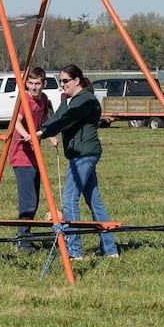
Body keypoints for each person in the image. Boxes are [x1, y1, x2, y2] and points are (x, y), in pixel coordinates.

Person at [37, 64, 118, 259]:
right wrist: (40, 131)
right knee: (94, 200)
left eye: (65, 81)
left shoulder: (86, 101)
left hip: (84, 155)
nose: (62, 85)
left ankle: (73, 249)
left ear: (77, 81)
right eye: (60, 81)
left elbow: (67, 119)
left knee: (69, 199)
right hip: (77, 154)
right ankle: (110, 249)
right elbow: (57, 117)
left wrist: (42, 132)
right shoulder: (68, 100)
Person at [9, 67, 53, 251]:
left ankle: (24, 235)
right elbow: (16, 122)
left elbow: (46, 120)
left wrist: (50, 135)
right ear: (26, 84)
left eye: (37, 84)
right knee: (29, 199)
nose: (34, 88)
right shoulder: (24, 99)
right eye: (31, 84)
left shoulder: (43, 99)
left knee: (34, 199)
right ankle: (23, 240)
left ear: (44, 84)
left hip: (35, 154)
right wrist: (27, 135)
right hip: (21, 154)